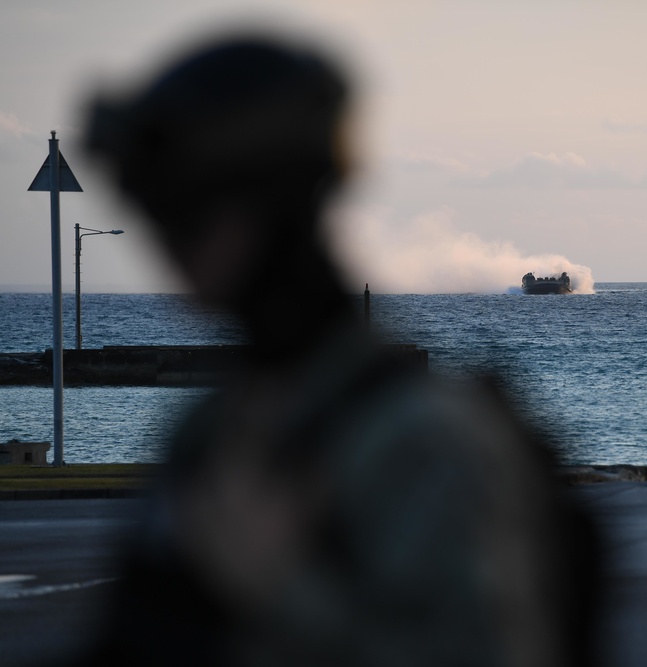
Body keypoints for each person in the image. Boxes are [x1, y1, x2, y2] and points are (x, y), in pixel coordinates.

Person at [79, 33, 601, 667]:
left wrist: (279, 589)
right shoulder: (214, 425)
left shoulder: (417, 437)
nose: (167, 252)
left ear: (265, 212)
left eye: (186, 219)